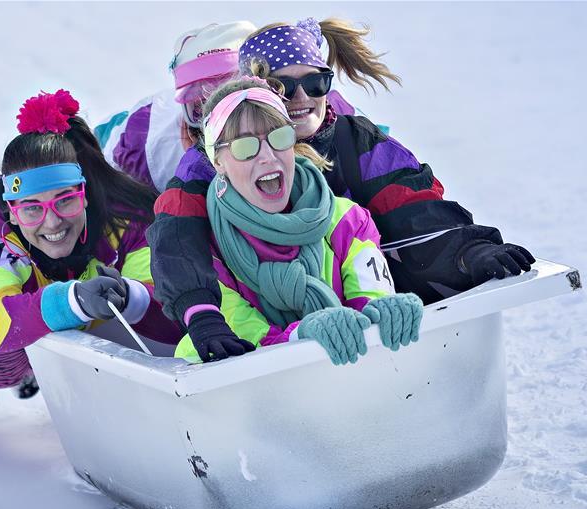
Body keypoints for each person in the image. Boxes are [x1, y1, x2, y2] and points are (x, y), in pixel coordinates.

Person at [147, 17, 534, 362]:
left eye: (315, 83)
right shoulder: (210, 162)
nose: (301, 98)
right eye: (284, 86)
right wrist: (200, 310)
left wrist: (468, 252)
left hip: (358, 301)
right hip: (263, 318)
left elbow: (411, 207)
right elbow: (178, 239)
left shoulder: (353, 144)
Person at [0, 90, 180, 414]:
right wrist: (74, 300)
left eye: (65, 200)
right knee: (5, 362)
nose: (52, 222)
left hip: (52, 275)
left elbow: (170, 303)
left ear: (85, 194)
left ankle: (45, 341)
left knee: (94, 314)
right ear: (11, 210)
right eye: (32, 209)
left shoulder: (123, 218)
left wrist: (132, 296)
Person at [167, 78, 423, 364]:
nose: (267, 156)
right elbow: (239, 334)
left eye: (279, 137)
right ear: (218, 161)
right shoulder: (204, 247)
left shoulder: (346, 219)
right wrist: (300, 336)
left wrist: (383, 313)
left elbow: (370, 297)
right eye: (244, 146)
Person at [95, 21, 256, 192]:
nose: (219, 117)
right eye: (202, 103)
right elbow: (103, 164)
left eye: (232, 99)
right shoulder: (144, 139)